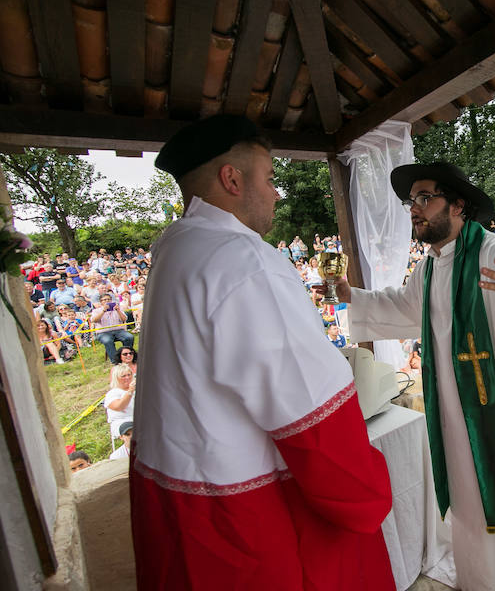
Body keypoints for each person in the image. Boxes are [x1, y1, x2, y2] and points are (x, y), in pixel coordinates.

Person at [132, 114, 394, 590]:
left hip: (182, 489)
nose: (277, 193)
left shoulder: (174, 245)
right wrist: (366, 489)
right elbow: (309, 412)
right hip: (242, 516)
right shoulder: (245, 259)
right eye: (270, 179)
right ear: (232, 179)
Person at [334, 162, 495, 590]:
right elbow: (404, 307)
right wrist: (353, 298)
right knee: (470, 491)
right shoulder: (429, 267)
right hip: (459, 413)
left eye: (425, 198)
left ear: (458, 206)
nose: (415, 210)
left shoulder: (494, 252)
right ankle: (487, 576)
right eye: (411, 202)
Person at [90, 292, 134, 362]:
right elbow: (94, 320)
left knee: (129, 337)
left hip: (119, 331)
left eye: (108, 299)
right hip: (103, 333)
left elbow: (124, 319)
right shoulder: (96, 311)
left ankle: (127, 356)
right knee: (108, 341)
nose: (107, 301)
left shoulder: (118, 309)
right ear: (101, 302)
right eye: (104, 300)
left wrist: (118, 310)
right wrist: (103, 311)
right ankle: (115, 361)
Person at [105, 364, 136, 437]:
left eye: (129, 375)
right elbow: (119, 407)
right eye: (123, 376)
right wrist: (130, 392)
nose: (127, 378)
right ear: (117, 378)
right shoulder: (112, 393)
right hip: (122, 422)